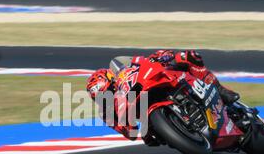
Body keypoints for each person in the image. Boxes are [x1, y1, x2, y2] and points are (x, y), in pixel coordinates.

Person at [86, 49, 240, 145]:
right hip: (150, 118)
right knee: (155, 138)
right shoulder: (108, 113)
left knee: (188, 56)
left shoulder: (124, 73)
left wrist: (159, 57)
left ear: (112, 80)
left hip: (154, 83)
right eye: (101, 97)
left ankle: (220, 90)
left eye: (109, 91)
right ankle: (186, 133)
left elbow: (139, 60)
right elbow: (130, 134)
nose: (107, 97)